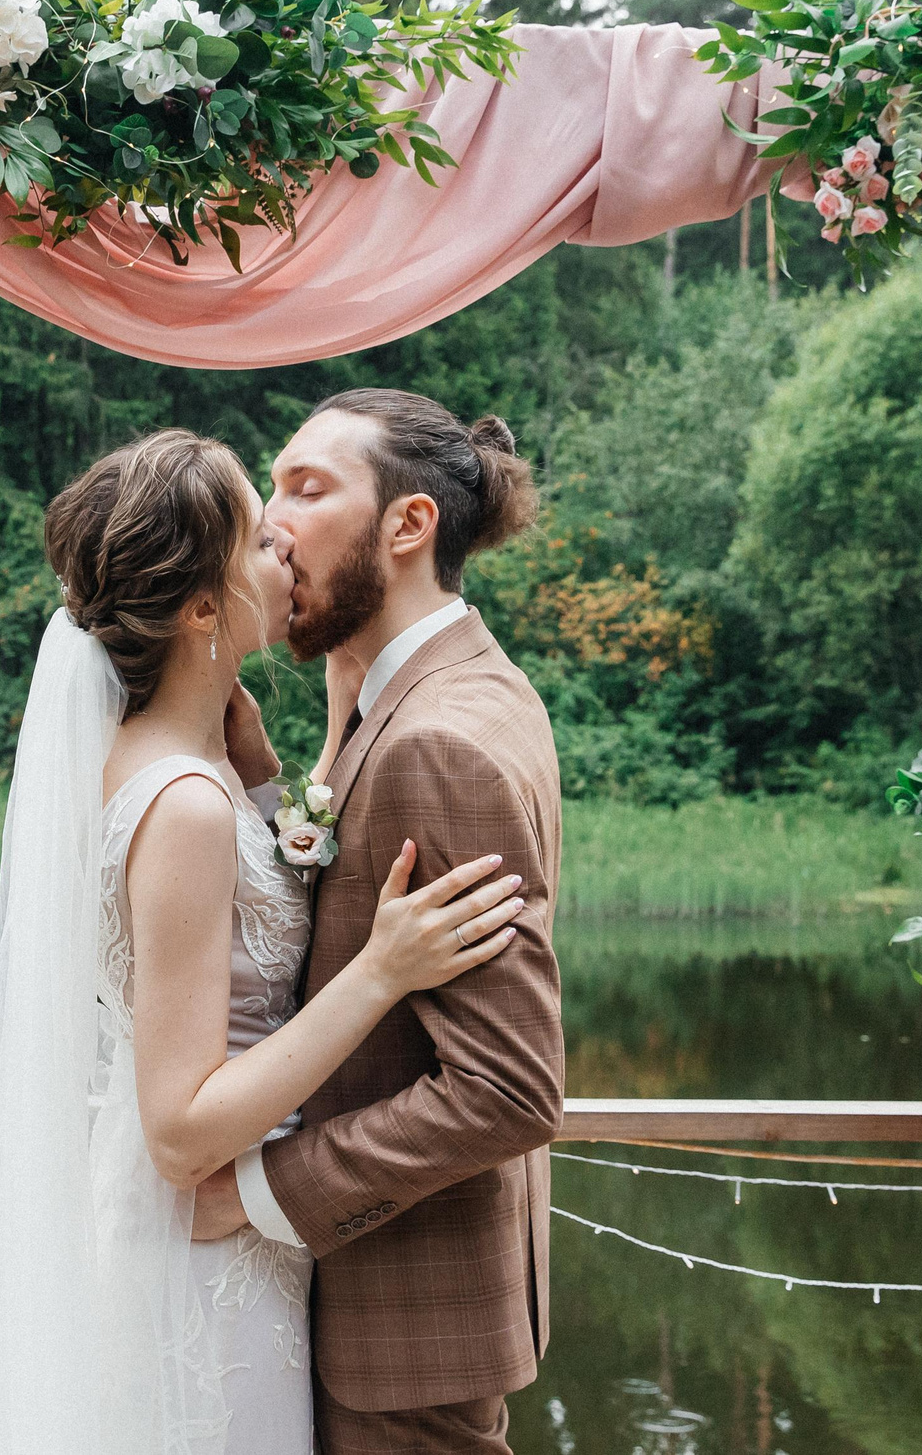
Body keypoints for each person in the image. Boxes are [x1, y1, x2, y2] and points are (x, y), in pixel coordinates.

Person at [0, 426, 524, 1454]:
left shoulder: (185, 768)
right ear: (207, 607)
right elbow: (180, 1131)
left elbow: (228, 952)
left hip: (211, 1246)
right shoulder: (183, 805)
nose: (289, 552)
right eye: (263, 539)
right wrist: (381, 971)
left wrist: (268, 791)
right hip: (203, 1259)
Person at [197, 388, 562, 1455]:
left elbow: (507, 1088)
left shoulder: (432, 742)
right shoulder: (451, 687)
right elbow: (348, 902)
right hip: (416, 1305)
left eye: (306, 489)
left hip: (402, 1327)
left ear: (408, 525)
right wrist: (271, 787)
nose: (269, 522)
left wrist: (254, 1192)